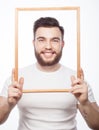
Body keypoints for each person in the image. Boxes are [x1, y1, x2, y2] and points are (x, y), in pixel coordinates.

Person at [0, 17, 99, 130]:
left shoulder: (78, 81)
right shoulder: (16, 79)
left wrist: (85, 103)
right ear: (34, 43)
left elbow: (97, 125)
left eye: (55, 40)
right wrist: (9, 104)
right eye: (41, 40)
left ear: (62, 44)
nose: (48, 46)